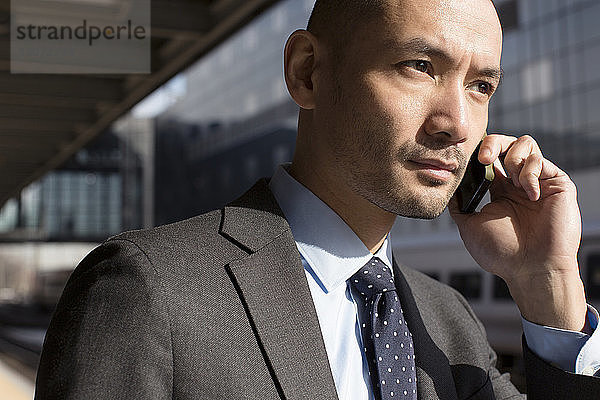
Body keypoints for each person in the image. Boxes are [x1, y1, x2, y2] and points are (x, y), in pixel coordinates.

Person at [35, 0, 600, 399]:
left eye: (481, 86)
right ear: (307, 72)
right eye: (419, 67)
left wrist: (544, 282)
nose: (457, 124)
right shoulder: (149, 290)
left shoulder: (449, 322)